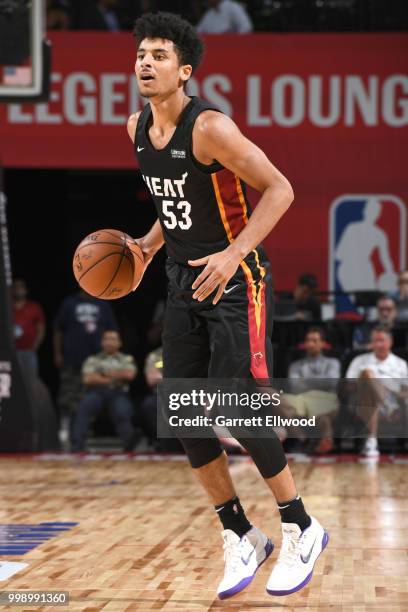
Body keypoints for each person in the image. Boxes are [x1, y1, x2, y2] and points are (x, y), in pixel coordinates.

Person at [126, 12, 328, 600]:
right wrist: (145, 244)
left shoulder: (210, 127)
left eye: (160, 55)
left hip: (237, 277)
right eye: (142, 53)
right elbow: (176, 206)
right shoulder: (135, 128)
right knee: (187, 412)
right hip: (182, 280)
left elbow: (281, 189)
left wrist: (233, 253)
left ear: (184, 71)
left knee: (232, 403)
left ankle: (300, 524)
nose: (146, 62)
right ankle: (241, 533)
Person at [53, 289, 118, 440]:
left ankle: (85, 430)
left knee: (91, 397)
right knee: (67, 394)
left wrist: (110, 358)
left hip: (96, 360)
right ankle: (65, 427)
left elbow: (112, 332)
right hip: (72, 357)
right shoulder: (69, 303)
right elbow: (58, 330)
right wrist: (58, 353)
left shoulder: (103, 304)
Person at [346, 325, 408, 459]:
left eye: (382, 340)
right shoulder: (359, 361)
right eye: (376, 341)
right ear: (371, 343)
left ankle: (371, 440)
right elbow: (348, 387)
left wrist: (388, 390)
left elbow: (405, 393)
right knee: (368, 374)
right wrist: (367, 382)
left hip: (396, 404)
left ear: (390, 342)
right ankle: (372, 440)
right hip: (363, 404)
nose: (379, 344)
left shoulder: (400, 364)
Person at [71, 330, 138, 452]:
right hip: (97, 392)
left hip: (118, 393)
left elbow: (129, 375)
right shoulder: (93, 359)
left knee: (122, 411)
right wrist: (116, 377)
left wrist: (102, 374)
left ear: (119, 343)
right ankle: (77, 446)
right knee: (84, 407)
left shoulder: (126, 359)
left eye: (113, 339)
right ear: (102, 342)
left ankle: (129, 446)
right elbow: (88, 379)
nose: (109, 342)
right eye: (106, 339)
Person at [287, 327, 341, 453]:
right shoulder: (295, 365)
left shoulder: (333, 363)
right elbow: (294, 386)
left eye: (315, 341)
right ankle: (306, 439)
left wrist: (305, 380)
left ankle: (313, 442)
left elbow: (332, 381)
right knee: (279, 401)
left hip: (326, 400)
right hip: (302, 400)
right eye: (308, 340)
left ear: (323, 343)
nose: (311, 344)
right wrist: (320, 382)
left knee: (322, 410)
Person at [12, 279, 46, 376]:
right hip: (11, 352)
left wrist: (34, 346)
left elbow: (41, 329)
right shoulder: (6, 307)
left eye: (21, 287)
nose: (18, 289)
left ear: (26, 290)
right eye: (16, 287)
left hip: (28, 352)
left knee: (30, 380)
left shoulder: (34, 307)